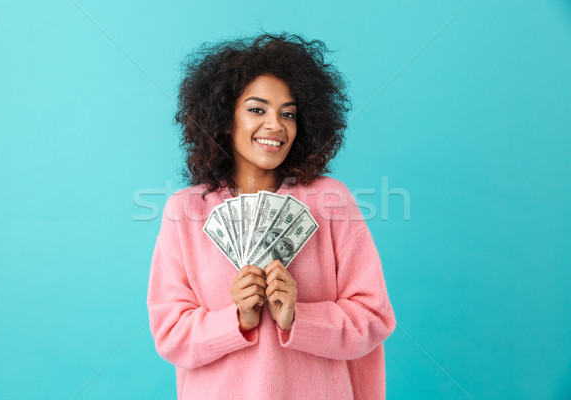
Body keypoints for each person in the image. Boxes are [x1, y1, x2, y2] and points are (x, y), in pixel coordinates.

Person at [147, 31, 397, 400]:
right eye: (257, 109)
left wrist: (299, 317)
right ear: (225, 119)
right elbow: (170, 335)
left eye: (288, 114)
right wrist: (237, 320)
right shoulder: (185, 211)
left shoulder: (331, 200)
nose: (275, 125)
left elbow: (373, 318)